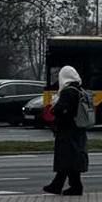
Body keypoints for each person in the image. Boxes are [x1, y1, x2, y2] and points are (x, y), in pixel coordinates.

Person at [43, 65, 88, 195]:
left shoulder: (68, 92)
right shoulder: (80, 90)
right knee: (69, 158)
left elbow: (60, 109)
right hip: (78, 129)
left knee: (67, 158)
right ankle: (59, 185)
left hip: (67, 130)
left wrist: (53, 108)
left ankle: (74, 187)